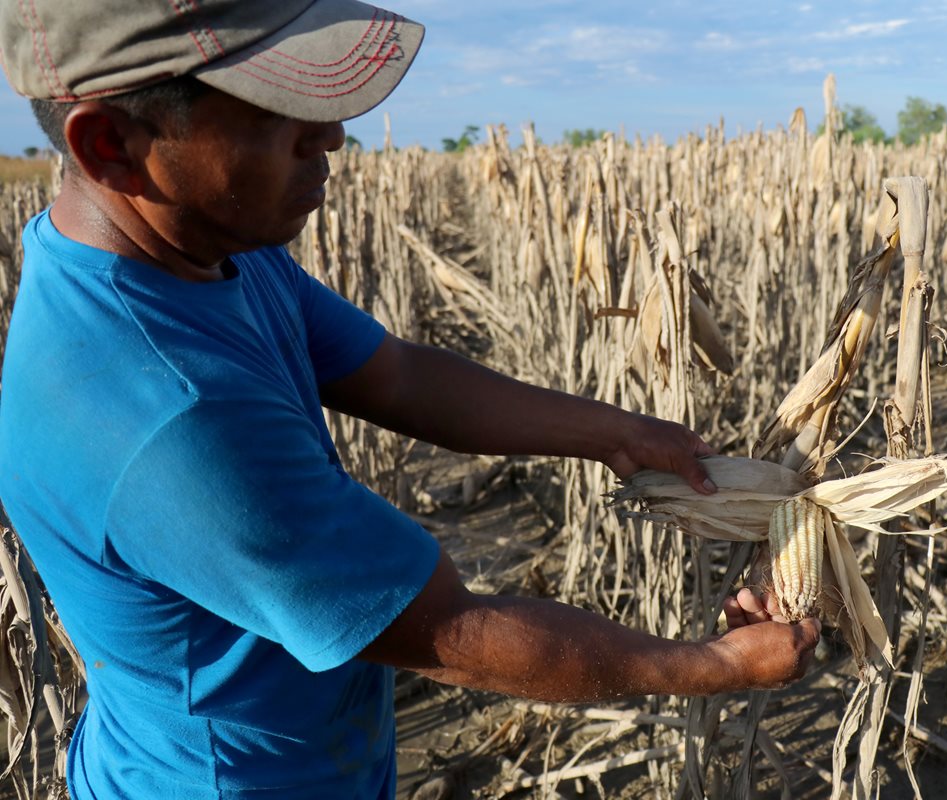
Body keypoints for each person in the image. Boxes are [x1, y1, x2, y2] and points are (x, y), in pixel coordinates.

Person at [0, 1, 822, 797]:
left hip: (304, 755)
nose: (332, 136)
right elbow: (453, 634)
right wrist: (716, 664)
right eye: (276, 106)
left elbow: (395, 374)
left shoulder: (204, 250)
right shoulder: (166, 416)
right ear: (112, 142)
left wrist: (619, 432)